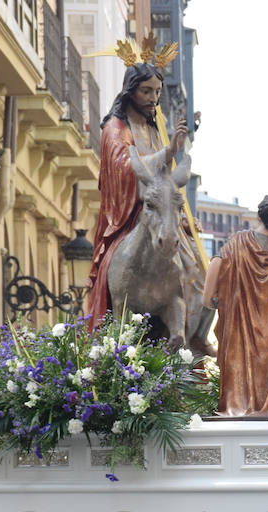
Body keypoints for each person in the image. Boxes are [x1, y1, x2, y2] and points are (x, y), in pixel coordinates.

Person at [85, 61, 194, 331]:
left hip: (160, 209)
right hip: (128, 213)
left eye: (157, 92)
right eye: (147, 91)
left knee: (195, 270)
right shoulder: (115, 127)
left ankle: (194, 333)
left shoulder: (152, 129)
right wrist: (168, 152)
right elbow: (124, 168)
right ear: (130, 91)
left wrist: (172, 153)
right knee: (121, 261)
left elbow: (165, 177)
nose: (153, 99)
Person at [200, 194, 268, 417]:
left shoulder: (238, 241)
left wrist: (210, 297)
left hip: (241, 324)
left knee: (240, 364)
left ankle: (241, 404)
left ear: (259, 215)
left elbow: (217, 262)